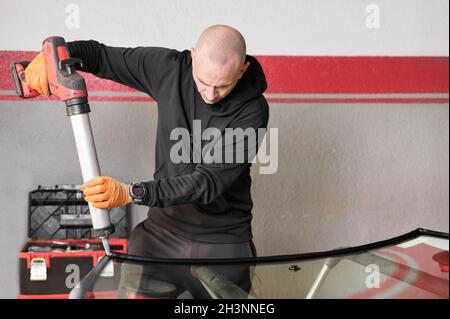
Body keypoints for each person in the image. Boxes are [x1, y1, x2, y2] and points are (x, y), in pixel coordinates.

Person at [25, 24, 269, 298]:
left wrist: (131, 192)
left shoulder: (253, 110)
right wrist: (52, 56)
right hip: (160, 236)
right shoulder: (169, 69)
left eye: (223, 85)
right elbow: (101, 56)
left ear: (243, 70)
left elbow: (207, 183)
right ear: (192, 56)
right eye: (203, 82)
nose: (211, 95)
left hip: (223, 244)